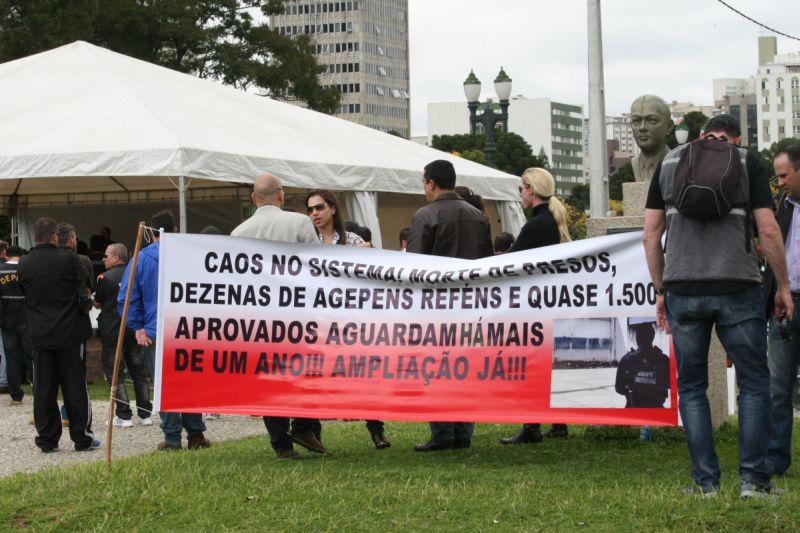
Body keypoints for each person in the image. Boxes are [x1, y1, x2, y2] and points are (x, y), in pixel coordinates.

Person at [643, 114, 792, 499]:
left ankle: (706, 483)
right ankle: (754, 482)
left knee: (692, 388)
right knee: (755, 383)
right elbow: (769, 229)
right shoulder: (746, 161)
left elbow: (651, 234)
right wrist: (784, 287)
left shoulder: (670, 163)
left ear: (699, 135)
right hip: (737, 285)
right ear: (736, 137)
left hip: (683, 287)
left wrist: (661, 289)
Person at [232, 173, 326, 459]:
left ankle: (281, 445)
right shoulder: (299, 223)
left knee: (269, 380)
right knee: (307, 372)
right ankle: (303, 425)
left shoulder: (238, 234)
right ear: (281, 195)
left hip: (259, 320)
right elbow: (318, 269)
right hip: (299, 315)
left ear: (253, 199)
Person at [407, 159, 493, 451]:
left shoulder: (425, 215)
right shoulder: (478, 216)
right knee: (465, 368)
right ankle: (463, 431)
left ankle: (442, 431)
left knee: (436, 368)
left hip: (436, 308)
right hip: (472, 305)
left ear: (430, 182)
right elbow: (489, 264)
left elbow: (415, 265)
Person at [119, 210, 211, 451]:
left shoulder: (140, 259)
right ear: (175, 230)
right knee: (189, 379)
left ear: (152, 233)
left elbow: (128, 296)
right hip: (188, 328)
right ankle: (195, 433)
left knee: (164, 383)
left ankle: (172, 437)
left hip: (155, 328)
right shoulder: (191, 256)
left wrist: (137, 327)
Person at [306, 189, 391, 449]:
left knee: (365, 376)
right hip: (320, 321)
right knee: (315, 377)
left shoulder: (353, 240)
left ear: (332, 208)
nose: (314, 214)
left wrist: (369, 253)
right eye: (310, 210)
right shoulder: (308, 241)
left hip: (352, 320)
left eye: (319, 207)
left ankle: (377, 430)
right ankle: (312, 434)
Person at [501, 167, 572, 445]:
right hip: (549, 302)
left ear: (531, 189)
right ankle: (557, 422)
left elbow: (513, 261)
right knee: (548, 365)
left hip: (535, 305)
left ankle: (531, 426)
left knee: (533, 366)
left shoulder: (536, 225)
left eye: (521, 189)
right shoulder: (551, 221)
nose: (520, 194)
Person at [19, 217, 99, 452]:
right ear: (55, 235)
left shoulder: (25, 263)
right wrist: (86, 307)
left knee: (43, 389)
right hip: (70, 334)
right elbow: (81, 293)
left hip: (40, 335)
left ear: (35, 236)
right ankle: (81, 437)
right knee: (75, 387)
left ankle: (47, 439)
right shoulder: (69, 259)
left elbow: (25, 293)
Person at [763, 144, 800, 476]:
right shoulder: (781, 209)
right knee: (778, 388)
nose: (780, 183)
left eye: (784, 175)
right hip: (784, 310)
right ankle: (775, 459)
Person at [94, 243, 152, 427]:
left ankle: (124, 414)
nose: (103, 259)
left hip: (113, 329)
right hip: (134, 327)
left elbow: (98, 302)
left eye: (107, 255)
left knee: (114, 370)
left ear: (117, 257)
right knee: (138, 369)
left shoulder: (104, 278)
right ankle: (145, 413)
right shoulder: (135, 274)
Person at [0, 245, 33, 405]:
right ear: (21, 256)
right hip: (28, 319)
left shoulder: (0, 271)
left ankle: (16, 395)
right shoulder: (29, 270)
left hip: (7, 320)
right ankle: (37, 389)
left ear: (6, 254)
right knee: (32, 355)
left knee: (11, 357)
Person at [615, 323, 670, 408]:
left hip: (633, 409)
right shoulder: (663, 359)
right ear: (652, 337)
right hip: (657, 411)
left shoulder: (627, 359)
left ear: (637, 338)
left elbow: (619, 388)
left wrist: (636, 391)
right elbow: (671, 384)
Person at [630, 95, 674, 182]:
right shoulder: (635, 163)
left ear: (668, 127)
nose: (642, 128)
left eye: (651, 120)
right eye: (636, 121)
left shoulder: (675, 163)